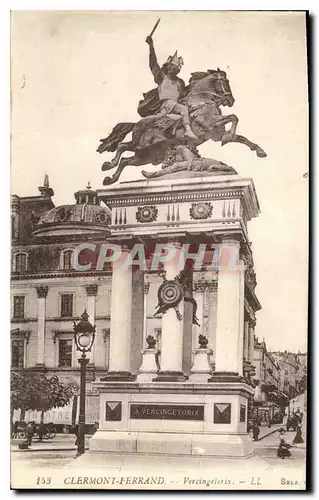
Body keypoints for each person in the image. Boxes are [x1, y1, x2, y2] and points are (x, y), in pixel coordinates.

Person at [145, 35, 197, 140]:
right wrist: (151, 46)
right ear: (169, 68)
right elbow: (153, 63)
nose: (179, 69)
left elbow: (184, 95)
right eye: (176, 67)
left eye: (179, 68)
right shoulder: (161, 77)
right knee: (184, 109)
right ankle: (188, 130)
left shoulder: (180, 82)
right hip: (166, 105)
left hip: (176, 106)